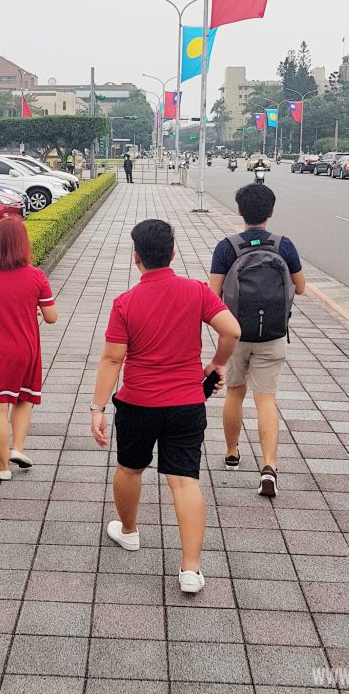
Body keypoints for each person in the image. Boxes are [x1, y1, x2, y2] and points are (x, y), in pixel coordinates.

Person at [91, 219, 241, 594]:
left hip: (137, 404)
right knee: (185, 480)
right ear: (172, 253)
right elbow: (232, 330)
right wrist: (217, 363)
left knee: (129, 468)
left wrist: (97, 408)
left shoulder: (125, 303)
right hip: (186, 403)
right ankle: (190, 570)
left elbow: (112, 360)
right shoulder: (196, 291)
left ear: (136, 257)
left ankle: (128, 532)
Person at [209, 184, 306, 497]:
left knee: (234, 394)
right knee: (266, 399)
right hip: (273, 335)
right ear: (271, 212)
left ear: (240, 212)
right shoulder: (284, 245)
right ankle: (269, 466)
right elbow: (300, 288)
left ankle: (232, 453)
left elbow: (212, 295)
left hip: (236, 334)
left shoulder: (227, 248)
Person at [0, 216, 58, 480]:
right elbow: (51, 317)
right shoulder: (36, 275)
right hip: (26, 347)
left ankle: (3, 466)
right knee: (24, 399)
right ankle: (18, 448)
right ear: (23, 244)